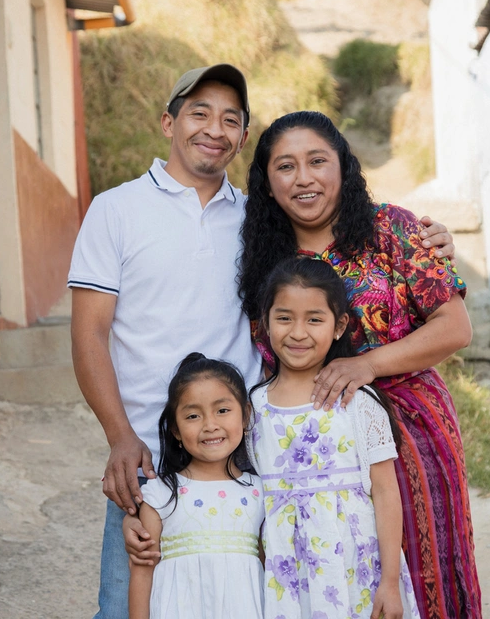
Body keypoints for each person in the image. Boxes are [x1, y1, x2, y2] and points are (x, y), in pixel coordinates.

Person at [69, 63, 455, 619]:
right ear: (167, 122)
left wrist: (428, 237)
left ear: (243, 138)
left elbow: (333, 222)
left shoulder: (258, 222)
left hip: (250, 455)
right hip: (151, 457)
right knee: (131, 601)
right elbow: (88, 334)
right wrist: (119, 435)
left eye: (231, 119)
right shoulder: (116, 209)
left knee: (253, 597)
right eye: (198, 113)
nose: (214, 129)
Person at [238, 111, 482, 619]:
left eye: (317, 161)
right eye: (285, 166)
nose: (303, 178)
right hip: (311, 443)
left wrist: (366, 365)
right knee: (325, 574)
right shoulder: (262, 255)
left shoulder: (392, 228)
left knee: (424, 567)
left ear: (343, 168)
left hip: (413, 432)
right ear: (267, 185)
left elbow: (454, 327)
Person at [248, 257, 422, 619]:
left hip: (357, 572)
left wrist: (390, 582)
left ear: (339, 326)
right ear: (264, 323)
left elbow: (386, 492)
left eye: (314, 319)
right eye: (284, 318)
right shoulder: (252, 410)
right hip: (287, 580)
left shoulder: (358, 403)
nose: (298, 332)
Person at [129, 353, 264, 619]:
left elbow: (266, 564)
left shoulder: (259, 492)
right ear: (175, 430)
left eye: (223, 410)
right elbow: (142, 573)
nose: (210, 425)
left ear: (246, 415)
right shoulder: (161, 494)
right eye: (193, 416)